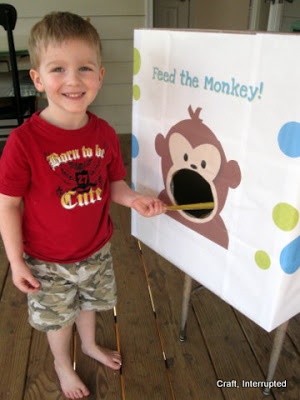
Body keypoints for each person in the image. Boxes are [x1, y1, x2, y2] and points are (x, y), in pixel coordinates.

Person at [0, 12, 166, 399]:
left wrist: (135, 198)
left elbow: (114, 185)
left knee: (90, 303)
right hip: (46, 260)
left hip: (96, 250)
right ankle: (63, 362)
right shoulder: (24, 143)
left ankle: (89, 345)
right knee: (58, 319)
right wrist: (16, 261)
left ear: (100, 76)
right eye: (58, 69)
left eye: (84, 68)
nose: (73, 80)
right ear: (38, 79)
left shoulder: (104, 133)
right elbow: (8, 205)